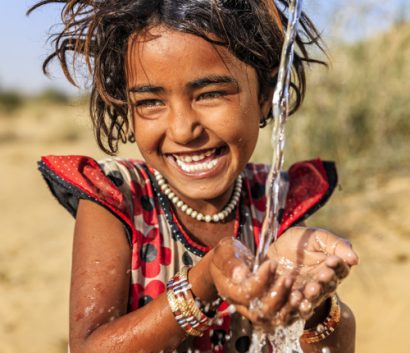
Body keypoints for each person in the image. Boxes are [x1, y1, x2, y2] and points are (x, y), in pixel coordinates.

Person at [30, 1, 359, 352]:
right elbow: (90, 347)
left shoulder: (277, 199)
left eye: (211, 94)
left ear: (265, 96)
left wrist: (315, 307)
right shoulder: (117, 199)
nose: (183, 129)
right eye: (150, 102)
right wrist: (205, 281)